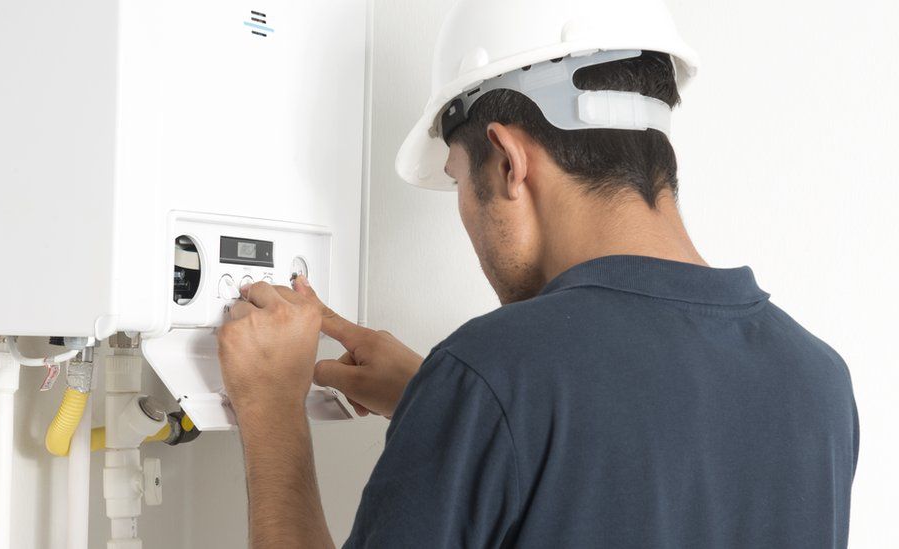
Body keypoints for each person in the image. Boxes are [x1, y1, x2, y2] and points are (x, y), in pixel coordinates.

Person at [217, 0, 859, 546]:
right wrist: (443, 404)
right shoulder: (819, 383)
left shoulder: (494, 370)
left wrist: (271, 406)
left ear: (506, 160)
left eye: (459, 183)